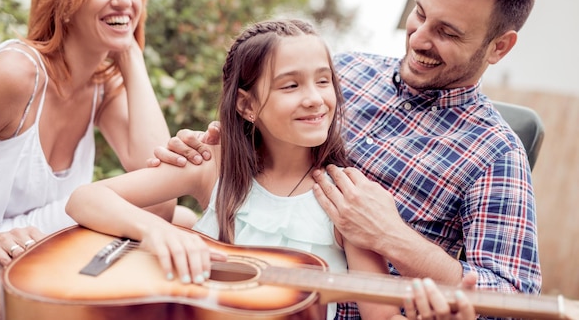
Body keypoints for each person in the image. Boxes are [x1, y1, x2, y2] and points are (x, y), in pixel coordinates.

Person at [152, 0, 542, 319]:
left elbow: (513, 305)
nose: (419, 38)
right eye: (421, 14)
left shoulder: (495, 153)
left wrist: (395, 239)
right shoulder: (343, 72)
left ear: (499, 47)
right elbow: (258, 142)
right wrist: (214, 142)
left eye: (447, 32)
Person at [66, 19, 477, 320]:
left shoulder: (346, 197)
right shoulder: (215, 165)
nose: (315, 99)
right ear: (246, 105)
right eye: (290, 85)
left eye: (323, 81)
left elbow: (380, 316)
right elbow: (85, 199)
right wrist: (157, 231)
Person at [0, 0, 189, 320]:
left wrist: (131, 56)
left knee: (182, 222)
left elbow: (162, 199)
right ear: (64, 0)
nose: (124, 1)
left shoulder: (102, 85)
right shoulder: (13, 75)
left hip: (32, 250)